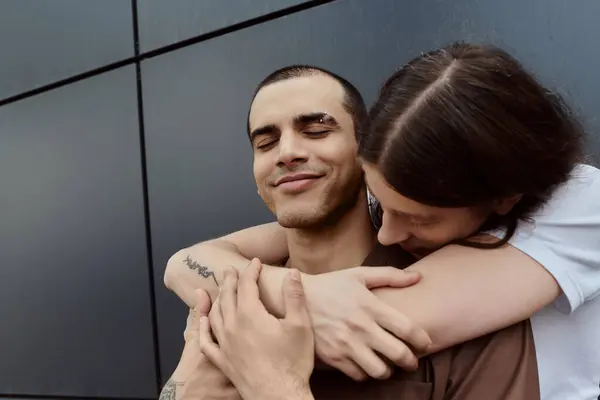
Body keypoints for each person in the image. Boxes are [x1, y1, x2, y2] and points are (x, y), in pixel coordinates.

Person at [165, 42, 600, 399]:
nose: (386, 227)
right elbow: (190, 259)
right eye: (265, 141)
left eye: (317, 130)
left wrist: (262, 371)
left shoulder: (580, 205)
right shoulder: (394, 192)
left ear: (505, 197)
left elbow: (378, 321)